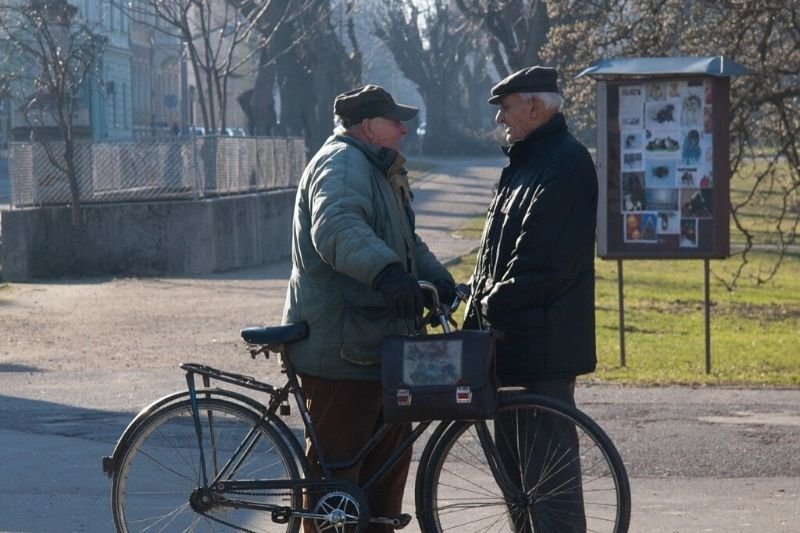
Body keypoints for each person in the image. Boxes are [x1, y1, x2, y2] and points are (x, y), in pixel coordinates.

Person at [282, 84, 455, 532]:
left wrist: (437, 278)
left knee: (385, 466)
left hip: (378, 344)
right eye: (394, 120)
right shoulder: (341, 165)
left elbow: (406, 241)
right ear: (366, 126)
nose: (404, 128)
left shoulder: (377, 168)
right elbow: (336, 227)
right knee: (338, 475)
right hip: (342, 347)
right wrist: (387, 274)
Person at [464, 66, 598, 531]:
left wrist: (487, 304)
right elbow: (496, 255)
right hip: (513, 344)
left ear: (536, 107)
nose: (501, 118)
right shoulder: (527, 162)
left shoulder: (565, 162)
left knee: (547, 488)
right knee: (520, 488)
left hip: (542, 348)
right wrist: (475, 296)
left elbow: (543, 261)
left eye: (506, 107)